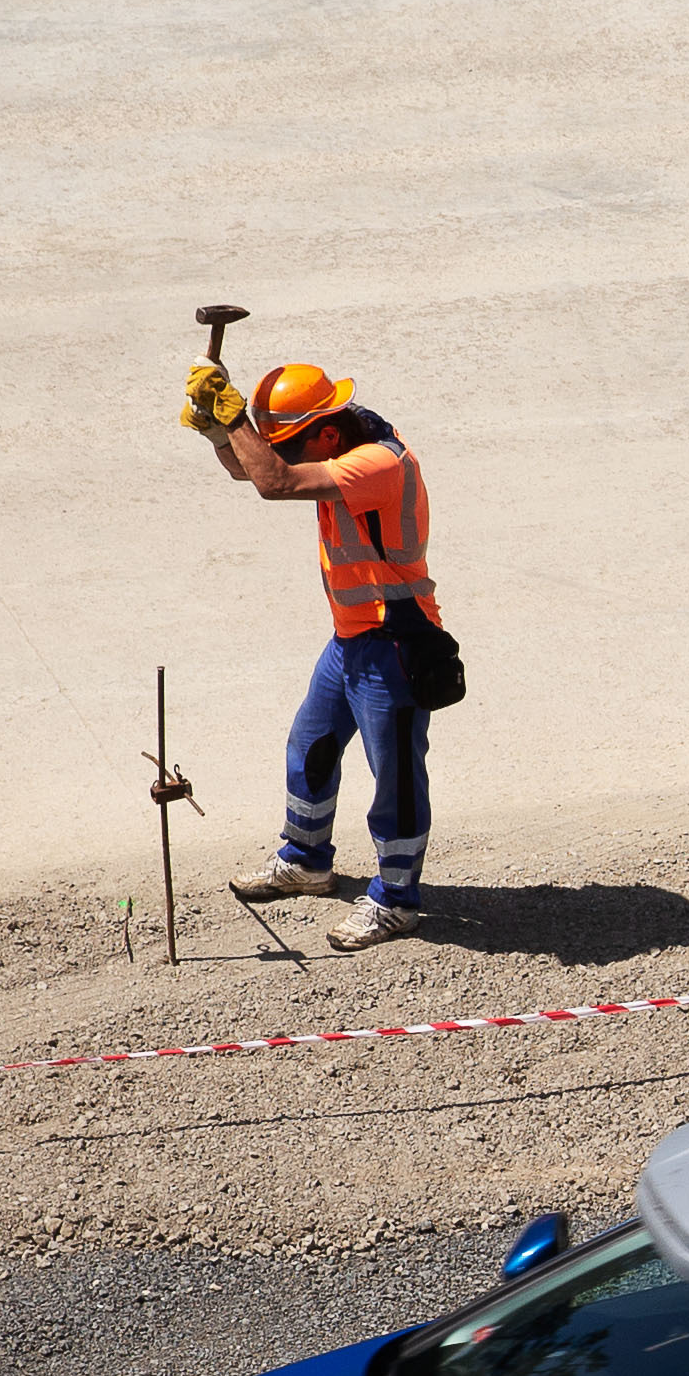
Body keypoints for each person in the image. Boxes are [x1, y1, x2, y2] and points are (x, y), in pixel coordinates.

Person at [183, 353, 446, 952]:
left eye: (290, 444)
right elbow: (255, 470)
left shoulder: (379, 462)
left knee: (396, 776)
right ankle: (306, 861)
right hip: (351, 639)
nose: (280, 455)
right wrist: (219, 430)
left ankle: (397, 900)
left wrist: (238, 422)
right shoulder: (337, 444)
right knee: (311, 744)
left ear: (326, 434)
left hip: (395, 641)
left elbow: (274, 481)